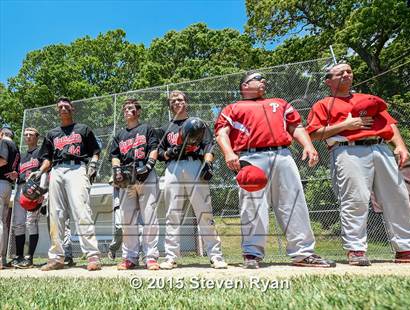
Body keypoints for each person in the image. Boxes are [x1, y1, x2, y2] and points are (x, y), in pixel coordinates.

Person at [215, 72, 336, 269]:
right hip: (250, 156)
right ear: (244, 86)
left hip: (282, 154)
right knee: (253, 206)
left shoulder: (280, 103)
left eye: (263, 79)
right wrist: (228, 152)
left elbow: (295, 126)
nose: (263, 80)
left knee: (294, 202)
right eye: (257, 78)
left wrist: (309, 145)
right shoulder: (233, 108)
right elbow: (222, 132)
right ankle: (252, 253)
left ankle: (303, 253)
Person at [306, 62, 410, 265]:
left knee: (398, 197)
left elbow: (389, 124)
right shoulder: (323, 104)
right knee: (355, 199)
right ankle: (356, 250)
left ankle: (407, 249)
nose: (346, 74)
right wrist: (346, 125)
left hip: (380, 147)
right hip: (347, 149)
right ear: (328, 81)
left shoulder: (367, 99)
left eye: (349, 71)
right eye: (340, 73)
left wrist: (401, 146)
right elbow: (314, 134)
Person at [157, 90, 227, 269]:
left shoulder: (198, 123)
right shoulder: (166, 128)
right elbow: (158, 153)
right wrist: (167, 153)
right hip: (173, 167)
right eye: (173, 101)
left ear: (186, 102)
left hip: (194, 164)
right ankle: (171, 256)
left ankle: (215, 255)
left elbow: (209, 145)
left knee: (204, 211)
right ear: (170, 106)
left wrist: (208, 164)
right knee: (172, 213)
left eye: (180, 99)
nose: (177, 102)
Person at [35, 97, 102, 271]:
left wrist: (93, 164)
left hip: (77, 168)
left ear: (72, 108)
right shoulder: (52, 134)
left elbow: (95, 151)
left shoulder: (83, 129)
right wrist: (41, 171)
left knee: (82, 210)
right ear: (58, 111)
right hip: (56, 171)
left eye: (66, 106)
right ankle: (57, 257)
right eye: (60, 107)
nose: (63, 108)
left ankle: (92, 255)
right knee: (55, 215)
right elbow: (47, 159)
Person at [109, 98, 160, 270]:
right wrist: (116, 170)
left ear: (138, 112)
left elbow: (154, 148)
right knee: (127, 218)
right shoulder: (119, 135)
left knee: (149, 216)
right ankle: (130, 257)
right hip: (127, 176)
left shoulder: (147, 129)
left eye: (131, 108)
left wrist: (149, 165)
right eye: (125, 109)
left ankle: (150, 256)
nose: (127, 111)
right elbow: (115, 155)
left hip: (145, 173)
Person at [8, 127, 42, 268]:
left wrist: (42, 192)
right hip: (20, 188)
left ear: (37, 136)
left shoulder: (41, 152)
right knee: (18, 223)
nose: (27, 136)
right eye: (25, 134)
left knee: (31, 222)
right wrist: (15, 175)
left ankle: (30, 257)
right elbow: (17, 171)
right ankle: (19, 256)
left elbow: (46, 171)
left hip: (34, 189)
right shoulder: (21, 156)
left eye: (31, 134)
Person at [0, 126, 19, 269]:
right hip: (8, 186)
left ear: (2, 134)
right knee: (4, 224)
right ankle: (3, 259)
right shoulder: (16, 148)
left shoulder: (4, 143)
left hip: (0, 183)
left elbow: (2, 160)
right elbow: (15, 170)